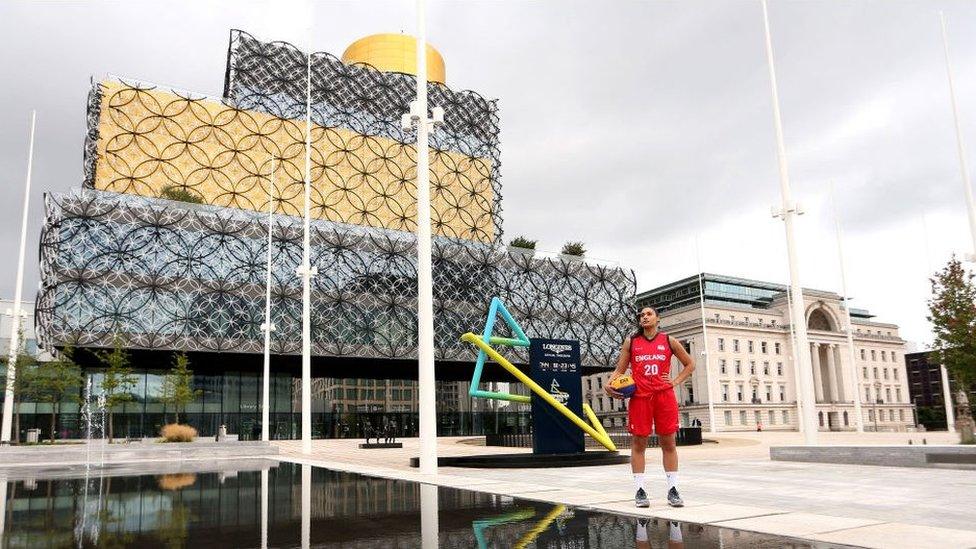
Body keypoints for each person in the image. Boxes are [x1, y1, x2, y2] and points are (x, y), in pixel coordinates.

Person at [606, 306, 695, 508]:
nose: (644, 317)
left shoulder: (669, 340)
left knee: (669, 444)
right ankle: (640, 490)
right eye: (641, 315)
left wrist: (675, 381)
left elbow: (690, 364)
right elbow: (620, 369)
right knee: (639, 445)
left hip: (664, 396)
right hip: (640, 397)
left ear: (657, 318)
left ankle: (673, 490)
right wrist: (609, 383)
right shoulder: (632, 341)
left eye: (649, 314)